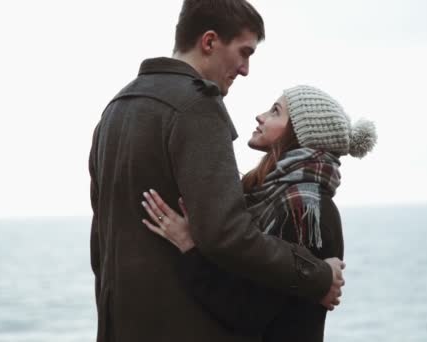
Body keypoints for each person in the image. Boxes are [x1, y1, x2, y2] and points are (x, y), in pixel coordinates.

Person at [88, 1, 345, 341]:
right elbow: (226, 233)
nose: (245, 69)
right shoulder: (197, 107)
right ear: (209, 42)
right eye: (243, 52)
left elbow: (100, 244)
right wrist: (318, 277)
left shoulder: (115, 110)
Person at [141, 85, 377, 341]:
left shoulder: (304, 209)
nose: (260, 116)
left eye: (275, 112)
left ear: (299, 133)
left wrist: (189, 246)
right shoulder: (273, 193)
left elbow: (246, 312)